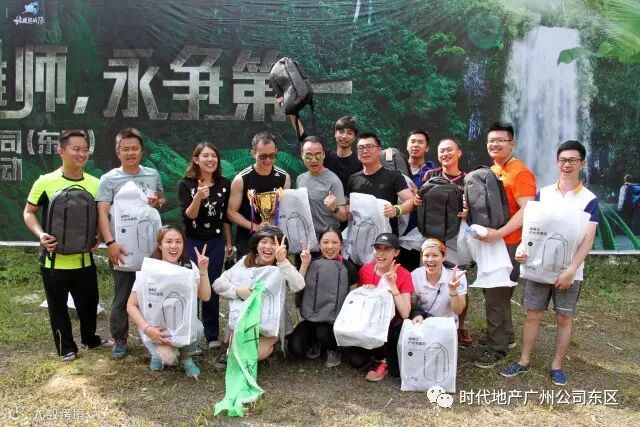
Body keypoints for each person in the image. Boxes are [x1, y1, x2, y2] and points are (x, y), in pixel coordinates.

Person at [501, 140, 599, 386]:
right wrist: (522, 247)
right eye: (563, 160)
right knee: (533, 314)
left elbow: (588, 239)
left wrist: (571, 270)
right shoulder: (543, 193)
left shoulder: (589, 199)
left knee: (564, 318)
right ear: (557, 163)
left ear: (582, 163)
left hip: (569, 272)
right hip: (538, 267)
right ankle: (524, 361)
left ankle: (557, 366)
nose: (567, 165)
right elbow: (531, 228)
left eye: (573, 160)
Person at [23, 130, 110, 362]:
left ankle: (90, 339)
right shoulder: (45, 181)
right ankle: (66, 348)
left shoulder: (96, 183)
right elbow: (29, 212)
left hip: (84, 260)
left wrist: (99, 234)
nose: (82, 154)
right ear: (61, 151)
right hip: (54, 262)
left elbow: (102, 216)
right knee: (58, 308)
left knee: (89, 305)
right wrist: (41, 234)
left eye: (85, 150)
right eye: (76, 149)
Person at [96, 127, 165, 359]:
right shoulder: (109, 179)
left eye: (134, 148)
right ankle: (120, 339)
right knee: (122, 296)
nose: (130, 153)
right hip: (122, 248)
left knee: (153, 292)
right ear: (117, 152)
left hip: (149, 247)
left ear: (141, 151)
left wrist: (157, 201)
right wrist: (110, 243)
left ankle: (158, 337)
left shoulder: (152, 174)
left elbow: (161, 200)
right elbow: (102, 213)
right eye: (125, 149)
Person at [473, 122, 536, 368]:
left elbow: (527, 210)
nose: (495, 144)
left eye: (500, 140)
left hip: (508, 243)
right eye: (491, 140)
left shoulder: (520, 172)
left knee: (495, 297)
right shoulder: (492, 171)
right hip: (492, 242)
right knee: (497, 293)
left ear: (512, 144)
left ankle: (496, 349)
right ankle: (505, 337)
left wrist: (499, 233)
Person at [126, 225, 211, 378]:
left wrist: (203, 270)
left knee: (198, 328)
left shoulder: (189, 266)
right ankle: (156, 353)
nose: (174, 246)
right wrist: (147, 329)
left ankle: (186, 357)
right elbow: (131, 305)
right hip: (156, 328)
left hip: (180, 324)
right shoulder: (150, 269)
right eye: (168, 241)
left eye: (178, 241)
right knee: (168, 358)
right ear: (160, 244)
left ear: (183, 244)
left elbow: (205, 296)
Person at [213, 226, 305, 365]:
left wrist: (283, 262)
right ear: (256, 245)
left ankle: (270, 346)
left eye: (273, 243)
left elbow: (298, 285)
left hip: (270, 321)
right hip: (246, 319)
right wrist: (236, 291)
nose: (268, 246)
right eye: (264, 242)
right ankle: (232, 348)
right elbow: (218, 284)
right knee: (238, 352)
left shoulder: (282, 266)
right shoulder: (246, 262)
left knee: (255, 354)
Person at [177, 142, 232, 350]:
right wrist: (198, 197)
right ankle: (191, 335)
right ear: (196, 159)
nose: (210, 159)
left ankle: (211, 335)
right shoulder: (185, 184)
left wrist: (228, 242)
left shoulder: (224, 183)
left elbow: (225, 217)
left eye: (213, 156)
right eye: (205, 156)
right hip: (193, 242)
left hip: (216, 242)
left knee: (212, 286)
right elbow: (189, 216)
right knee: (193, 286)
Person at [342, 233, 413, 381]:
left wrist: (393, 287)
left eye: (387, 249)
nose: (381, 253)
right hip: (367, 324)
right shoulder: (365, 269)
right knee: (356, 361)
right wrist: (365, 292)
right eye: (378, 248)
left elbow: (405, 313)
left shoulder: (404, 274)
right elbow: (357, 304)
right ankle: (376, 356)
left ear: (396, 252)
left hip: (390, 327)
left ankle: (383, 360)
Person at [422, 137, 473, 345]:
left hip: (457, 236)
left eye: (449, 150)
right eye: (442, 150)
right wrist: (416, 200)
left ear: (459, 153)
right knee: (429, 279)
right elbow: (421, 199)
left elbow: (474, 207)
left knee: (458, 280)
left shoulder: (468, 179)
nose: (445, 154)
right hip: (432, 235)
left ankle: (460, 326)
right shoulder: (430, 175)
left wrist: (468, 212)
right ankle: (426, 320)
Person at [287, 227, 359, 367]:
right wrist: (304, 264)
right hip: (310, 317)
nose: (330, 247)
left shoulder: (348, 268)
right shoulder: (311, 262)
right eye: (325, 242)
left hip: (334, 320)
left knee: (322, 332)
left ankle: (332, 349)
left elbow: (354, 298)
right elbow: (297, 287)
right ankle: (315, 343)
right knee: (295, 348)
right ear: (319, 245)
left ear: (341, 245)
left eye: (334, 242)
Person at [346, 133, 416, 250]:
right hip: (360, 241)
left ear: (379, 150)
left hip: (386, 242)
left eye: (369, 147)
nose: (365, 151)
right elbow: (347, 204)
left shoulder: (394, 176)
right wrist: (347, 211)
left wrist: (397, 210)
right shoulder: (353, 179)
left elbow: (411, 201)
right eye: (361, 148)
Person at [227, 132, 291, 256]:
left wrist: (272, 224)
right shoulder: (241, 179)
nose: (268, 160)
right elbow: (231, 212)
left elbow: (284, 209)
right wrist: (255, 227)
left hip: (274, 240)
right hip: (247, 240)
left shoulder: (284, 177)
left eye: (272, 155)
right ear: (253, 154)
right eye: (263, 156)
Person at [399, 130, 436, 271]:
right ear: (407, 146)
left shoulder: (433, 173)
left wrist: (420, 195)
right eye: (412, 141)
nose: (416, 145)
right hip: (394, 231)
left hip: (419, 234)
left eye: (420, 142)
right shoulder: (395, 170)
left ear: (427, 148)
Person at [296, 136, 348, 238]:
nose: (314, 160)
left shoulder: (333, 180)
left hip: (326, 239)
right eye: (309, 156)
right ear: (302, 155)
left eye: (318, 155)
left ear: (323, 155)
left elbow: (343, 217)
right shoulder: (300, 179)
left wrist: (334, 208)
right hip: (306, 237)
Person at [410, 239, 467, 324]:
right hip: (423, 323)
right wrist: (417, 315)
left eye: (435, 255)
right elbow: (412, 304)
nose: (430, 259)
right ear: (422, 257)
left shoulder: (457, 275)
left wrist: (453, 290)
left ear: (443, 257)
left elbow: (458, 311)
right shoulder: (415, 275)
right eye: (426, 255)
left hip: (447, 324)